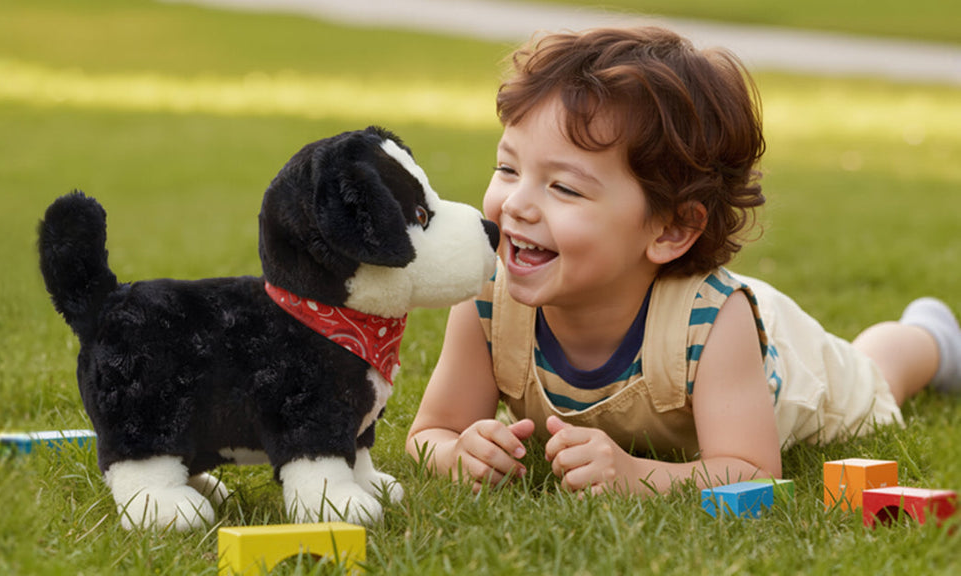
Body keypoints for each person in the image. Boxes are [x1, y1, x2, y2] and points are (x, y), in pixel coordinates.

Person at [405, 26, 961, 496]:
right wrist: (457, 454)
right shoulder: (488, 300)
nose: (518, 203)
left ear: (671, 228)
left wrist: (633, 474)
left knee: (874, 376)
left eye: (565, 189)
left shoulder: (714, 322)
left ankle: (930, 337)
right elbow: (432, 431)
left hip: (781, 364)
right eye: (508, 169)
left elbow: (751, 471)